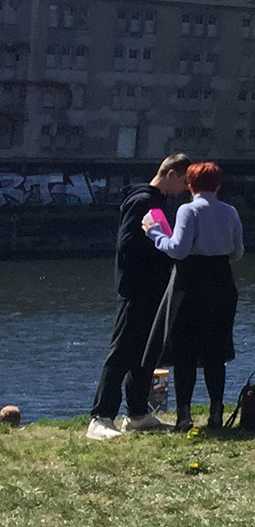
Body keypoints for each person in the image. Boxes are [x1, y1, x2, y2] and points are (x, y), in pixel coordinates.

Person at [87, 153, 191, 441]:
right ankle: (100, 417)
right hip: (137, 289)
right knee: (121, 351)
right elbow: (128, 246)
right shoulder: (142, 201)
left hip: (154, 289)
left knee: (146, 352)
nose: (185, 187)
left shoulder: (159, 202)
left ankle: (136, 414)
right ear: (169, 173)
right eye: (183, 180)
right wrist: (162, 254)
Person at [142, 161, 244, 432]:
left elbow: (178, 249)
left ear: (190, 185)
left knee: (184, 350)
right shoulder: (230, 212)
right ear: (217, 185)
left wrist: (154, 233)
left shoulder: (188, 210)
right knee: (215, 350)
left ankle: (184, 416)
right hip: (222, 282)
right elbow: (237, 253)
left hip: (190, 284)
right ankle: (216, 412)